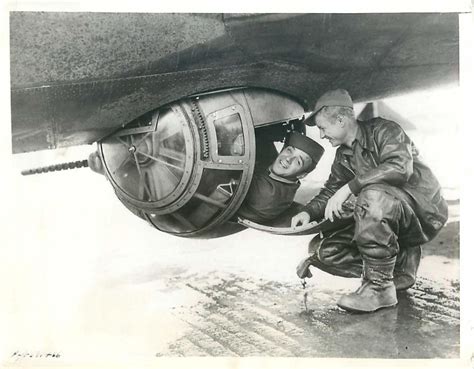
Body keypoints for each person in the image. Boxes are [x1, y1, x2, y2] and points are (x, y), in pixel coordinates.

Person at [291, 89, 448, 313]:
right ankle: (400, 266)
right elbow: (330, 191)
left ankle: (379, 288)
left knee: (372, 196)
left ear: (341, 120)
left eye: (323, 128)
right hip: (386, 213)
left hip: (422, 212)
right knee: (325, 251)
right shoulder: (343, 155)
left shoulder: (385, 130)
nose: (323, 136)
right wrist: (308, 212)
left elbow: (400, 167)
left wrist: (351, 186)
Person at [238, 132, 324, 224]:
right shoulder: (281, 171)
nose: (288, 159)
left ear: (302, 175)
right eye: (289, 150)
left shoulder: (268, 194)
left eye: (298, 161)